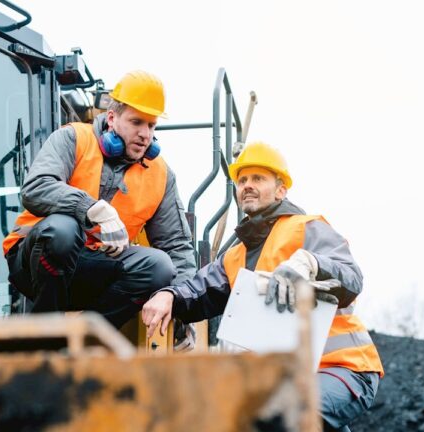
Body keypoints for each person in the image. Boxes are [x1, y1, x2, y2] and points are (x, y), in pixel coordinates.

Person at [141, 142, 384, 431]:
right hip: (292, 378)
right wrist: (170, 294)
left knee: (281, 414)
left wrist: (312, 263)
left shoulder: (306, 228)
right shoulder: (235, 257)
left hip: (343, 367)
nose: (247, 186)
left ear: (281, 190)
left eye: (258, 178)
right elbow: (198, 291)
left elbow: (352, 278)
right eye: (242, 180)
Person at [2, 70, 196, 329]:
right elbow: (36, 188)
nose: (145, 134)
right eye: (137, 122)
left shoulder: (161, 175)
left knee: (159, 267)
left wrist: (181, 305)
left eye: (151, 125)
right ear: (112, 118)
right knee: (62, 230)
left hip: (96, 269)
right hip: (36, 262)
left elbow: (177, 246)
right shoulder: (73, 138)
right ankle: (44, 335)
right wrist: (90, 208)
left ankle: (86, 336)